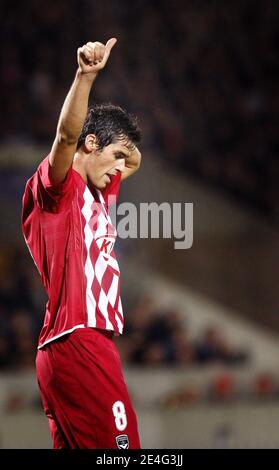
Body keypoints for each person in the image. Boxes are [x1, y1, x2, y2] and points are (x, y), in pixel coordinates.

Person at [22, 38, 142, 449]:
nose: (121, 171)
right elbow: (66, 136)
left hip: (64, 348)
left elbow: (133, 158)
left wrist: (121, 148)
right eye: (117, 158)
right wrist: (85, 77)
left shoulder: (99, 192)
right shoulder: (60, 189)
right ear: (90, 145)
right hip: (81, 341)